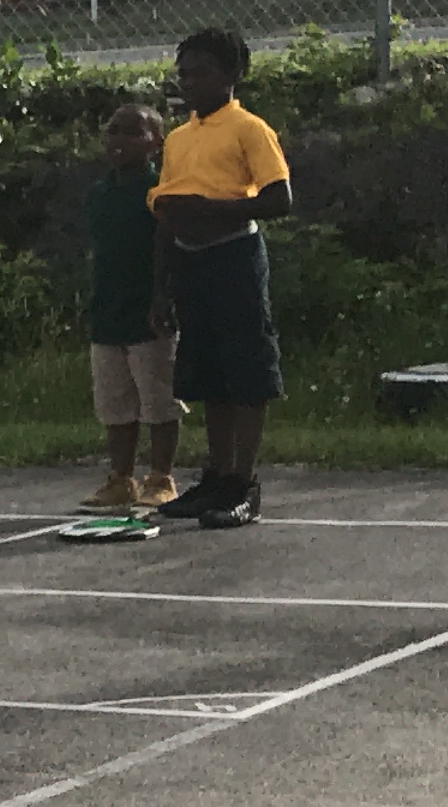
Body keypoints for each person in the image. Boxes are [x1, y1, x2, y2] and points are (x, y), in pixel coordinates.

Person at [151, 26, 290, 529]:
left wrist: (212, 209)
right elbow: (167, 215)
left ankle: (243, 483)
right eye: (184, 74)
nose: (190, 83)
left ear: (232, 75)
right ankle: (217, 474)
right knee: (209, 371)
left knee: (245, 368)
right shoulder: (178, 138)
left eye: (202, 73)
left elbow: (279, 198)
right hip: (191, 260)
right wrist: (161, 287)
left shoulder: (249, 129)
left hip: (233, 255)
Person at [78, 103, 180, 512]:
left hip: (149, 310)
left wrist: (164, 296)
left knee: (158, 399)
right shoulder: (100, 193)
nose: (119, 140)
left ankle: (161, 476)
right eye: (113, 131)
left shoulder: (160, 190)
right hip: (108, 309)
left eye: (132, 132)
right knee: (115, 402)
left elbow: (168, 248)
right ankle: (121, 478)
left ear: (156, 143)